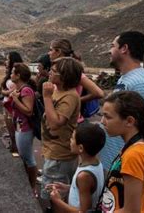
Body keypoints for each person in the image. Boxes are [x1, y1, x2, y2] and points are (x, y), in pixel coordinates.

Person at [99, 31, 144, 170]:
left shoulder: (139, 84)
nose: (109, 51)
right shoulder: (126, 77)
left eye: (112, 46)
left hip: (125, 167)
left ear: (124, 49)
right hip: (114, 161)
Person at [100, 91, 144, 212]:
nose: (102, 121)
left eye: (107, 117)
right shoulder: (139, 148)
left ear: (129, 121)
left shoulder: (134, 155)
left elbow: (131, 210)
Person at [40, 57, 83, 200]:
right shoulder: (57, 90)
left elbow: (55, 123)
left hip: (60, 156)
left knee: (54, 194)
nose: (49, 73)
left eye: (53, 71)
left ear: (64, 76)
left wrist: (46, 97)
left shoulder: (70, 96)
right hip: (54, 151)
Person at [47, 124, 106, 212]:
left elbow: (83, 211)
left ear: (81, 148)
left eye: (72, 138)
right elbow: (87, 190)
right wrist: (68, 187)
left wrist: (58, 201)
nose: (70, 141)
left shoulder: (84, 176)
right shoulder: (96, 162)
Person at [48, 39, 105, 125]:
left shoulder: (71, 71)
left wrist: (76, 100)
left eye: (50, 50)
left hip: (70, 121)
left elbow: (99, 93)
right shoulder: (57, 71)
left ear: (58, 51)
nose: (49, 53)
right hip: (57, 117)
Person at [9, 63, 38, 196]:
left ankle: (32, 187)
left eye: (13, 72)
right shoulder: (19, 88)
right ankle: (27, 183)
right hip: (19, 127)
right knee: (24, 157)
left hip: (25, 128)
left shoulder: (26, 90)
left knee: (28, 158)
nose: (10, 74)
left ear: (18, 75)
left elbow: (29, 111)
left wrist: (15, 99)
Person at [1, 52, 23, 153]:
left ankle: (16, 150)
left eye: (8, 60)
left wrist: (4, 92)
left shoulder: (18, 75)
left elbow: (12, 92)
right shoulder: (10, 73)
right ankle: (14, 147)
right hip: (6, 105)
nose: (6, 61)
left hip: (12, 106)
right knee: (10, 130)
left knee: (14, 130)